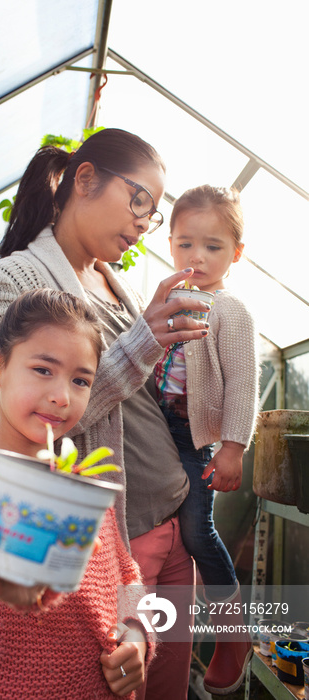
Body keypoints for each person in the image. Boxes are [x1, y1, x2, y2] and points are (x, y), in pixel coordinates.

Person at [0, 128, 212, 699]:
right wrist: (142, 342)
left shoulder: (113, 281)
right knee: (118, 681)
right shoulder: (11, 281)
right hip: (123, 535)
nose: (145, 222)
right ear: (84, 179)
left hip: (172, 521)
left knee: (163, 680)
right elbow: (3, 440)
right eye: (139, 199)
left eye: (153, 212)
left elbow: (139, 400)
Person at [0, 288, 153, 699]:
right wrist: (15, 532)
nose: (62, 396)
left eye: (80, 380)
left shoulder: (84, 487)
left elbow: (128, 579)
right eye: (43, 369)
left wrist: (138, 639)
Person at [154, 185, 259, 694]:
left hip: (193, 434)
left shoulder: (230, 311)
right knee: (163, 533)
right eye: (185, 244)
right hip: (155, 429)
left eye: (213, 247)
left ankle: (232, 631)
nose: (197, 257)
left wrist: (234, 446)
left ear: (236, 254)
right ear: (170, 243)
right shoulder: (166, 299)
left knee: (197, 530)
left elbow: (242, 382)